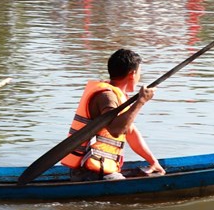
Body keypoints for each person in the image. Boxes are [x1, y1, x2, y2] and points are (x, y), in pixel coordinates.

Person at [61, 48, 164, 182]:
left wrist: (153, 161)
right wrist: (141, 102)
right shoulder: (107, 97)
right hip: (90, 173)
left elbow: (131, 133)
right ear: (132, 74)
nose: (140, 77)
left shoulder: (117, 95)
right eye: (140, 73)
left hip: (98, 170)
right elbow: (116, 130)